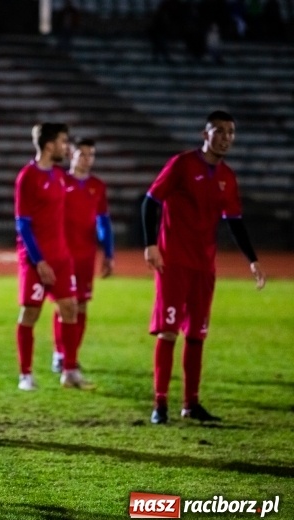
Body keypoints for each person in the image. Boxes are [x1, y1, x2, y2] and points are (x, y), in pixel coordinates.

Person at [142, 110, 266, 425]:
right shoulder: (182, 164)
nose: (226, 138)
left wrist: (252, 260)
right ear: (205, 134)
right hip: (174, 263)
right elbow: (151, 201)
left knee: (197, 335)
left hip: (203, 267)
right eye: (220, 131)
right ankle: (160, 403)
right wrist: (150, 244)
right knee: (169, 332)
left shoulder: (228, 177)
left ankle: (191, 403)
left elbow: (235, 222)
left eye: (231, 133)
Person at [14, 123, 92, 391]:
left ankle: (69, 371)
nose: (66, 146)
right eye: (62, 141)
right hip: (35, 260)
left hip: (61, 257)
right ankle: (25, 375)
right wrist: (40, 261)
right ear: (49, 145)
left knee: (70, 307)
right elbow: (23, 224)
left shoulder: (60, 175)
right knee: (30, 313)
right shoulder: (27, 177)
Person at [51, 138, 114, 373]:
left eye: (91, 155)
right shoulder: (60, 180)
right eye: (83, 154)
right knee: (65, 305)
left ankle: (72, 356)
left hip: (86, 256)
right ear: (71, 155)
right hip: (62, 256)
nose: (87, 159)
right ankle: (60, 354)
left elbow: (104, 221)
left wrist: (108, 252)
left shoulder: (98, 186)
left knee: (82, 306)